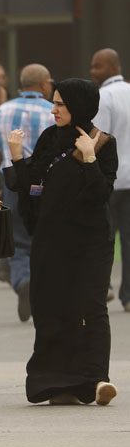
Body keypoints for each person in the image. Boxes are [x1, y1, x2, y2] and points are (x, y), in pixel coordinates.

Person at [4, 78, 118, 406]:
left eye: (61, 104)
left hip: (89, 242)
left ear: (79, 106)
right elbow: (32, 194)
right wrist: (17, 159)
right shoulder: (48, 140)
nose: (53, 110)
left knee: (90, 307)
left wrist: (90, 160)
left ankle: (96, 380)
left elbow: (99, 196)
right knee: (52, 308)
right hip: (51, 240)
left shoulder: (101, 143)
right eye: (54, 103)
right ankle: (56, 382)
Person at [0, 64, 54, 321]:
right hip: (47, 185)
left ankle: (23, 281)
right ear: (44, 83)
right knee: (45, 238)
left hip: (12, 183)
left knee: (16, 239)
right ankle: (42, 291)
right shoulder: (53, 112)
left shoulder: (3, 111)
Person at [90, 48, 130, 312]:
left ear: (113, 67)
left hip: (112, 180)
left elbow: (99, 139)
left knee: (101, 236)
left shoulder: (103, 96)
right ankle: (129, 297)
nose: (93, 71)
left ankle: (103, 288)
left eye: (97, 66)